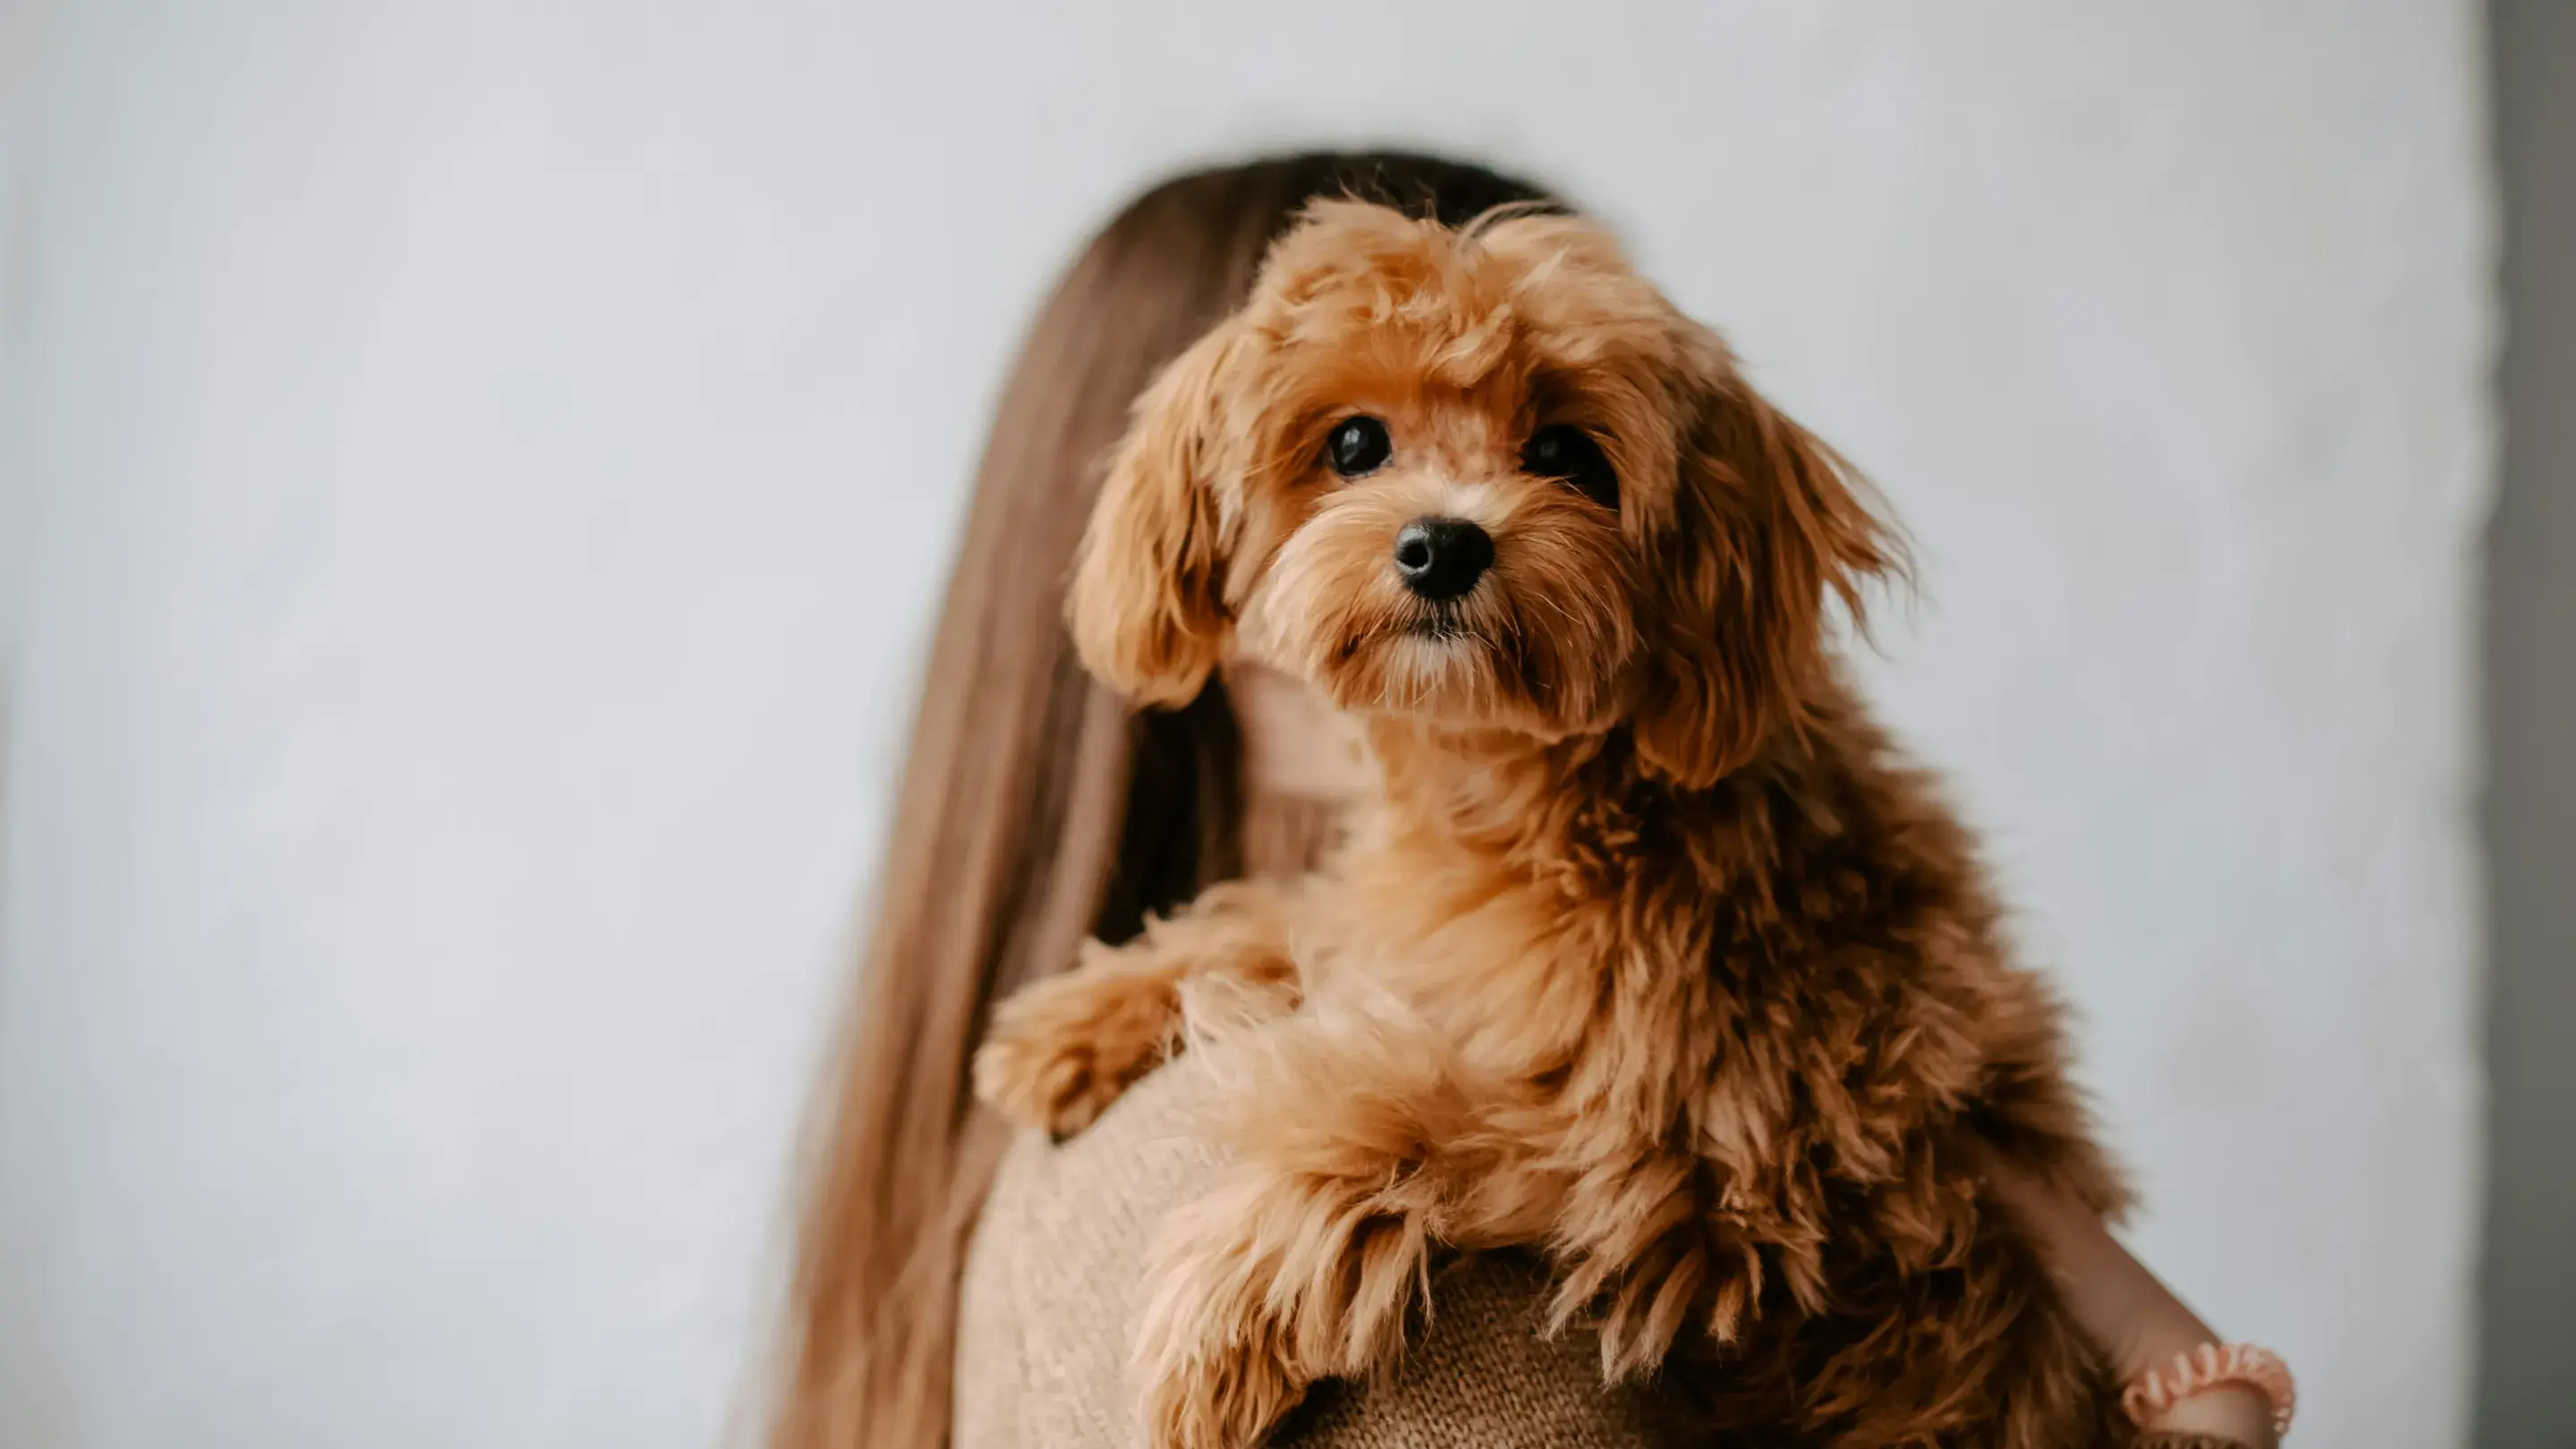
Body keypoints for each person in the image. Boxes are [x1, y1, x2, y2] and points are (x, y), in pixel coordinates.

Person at [767, 152, 2282, 1449]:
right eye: (1357, 450)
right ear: (1218, 533)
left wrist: (1373, 1166)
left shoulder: (1754, 875)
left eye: (1562, 458)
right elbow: (1476, 994)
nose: (1448, 521)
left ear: (1690, 556)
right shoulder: (1340, 1168)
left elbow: (1732, 1174)